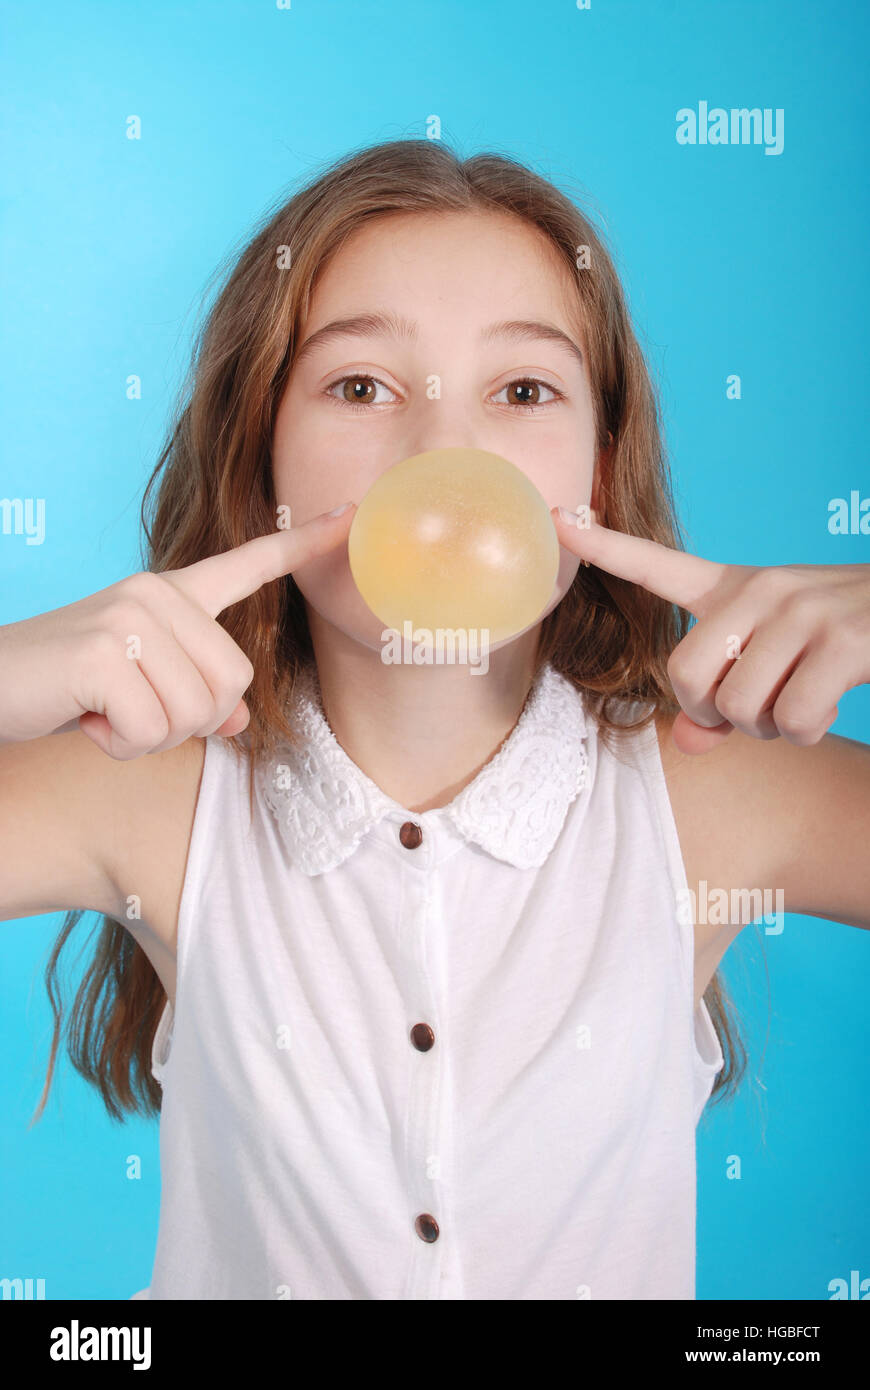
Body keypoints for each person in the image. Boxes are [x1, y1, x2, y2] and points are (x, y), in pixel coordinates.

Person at [1, 138, 867, 1300]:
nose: (443, 452)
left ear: (598, 470)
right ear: (263, 460)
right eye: (361, 387)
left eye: (522, 391)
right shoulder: (144, 788)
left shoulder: (716, 796)